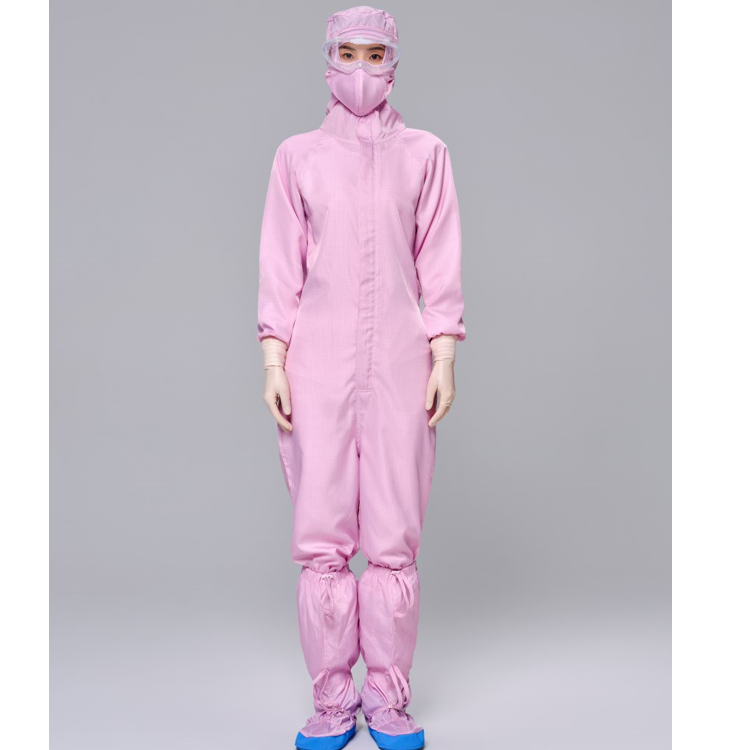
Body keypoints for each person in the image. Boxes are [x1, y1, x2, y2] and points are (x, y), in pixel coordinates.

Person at [256, 7, 466, 749]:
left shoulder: (426, 155)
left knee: (393, 536)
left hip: (403, 366)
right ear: (328, 58)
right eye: (348, 52)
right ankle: (332, 699)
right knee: (322, 536)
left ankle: (387, 698)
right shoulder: (297, 158)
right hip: (315, 365)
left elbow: (439, 260)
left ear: (394, 61)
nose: (361, 68)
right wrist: (274, 357)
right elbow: (280, 264)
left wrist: (444, 353)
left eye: (375, 54)